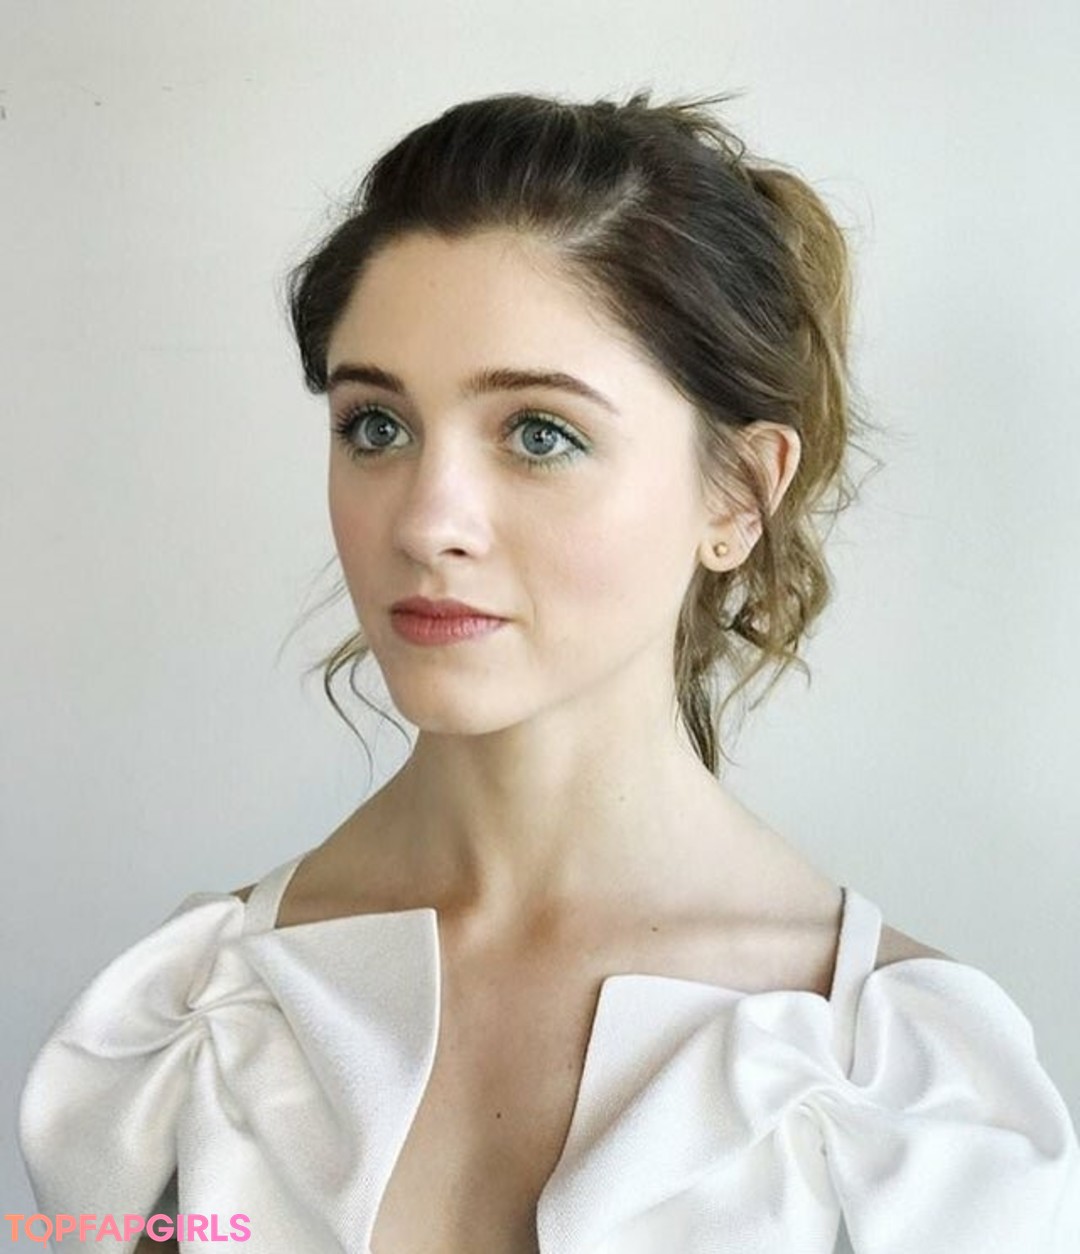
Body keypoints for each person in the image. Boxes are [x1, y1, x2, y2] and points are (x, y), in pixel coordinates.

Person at [18, 88, 1079, 1254]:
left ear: (738, 494)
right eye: (377, 426)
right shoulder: (183, 1023)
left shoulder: (906, 1104)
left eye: (539, 433)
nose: (427, 522)